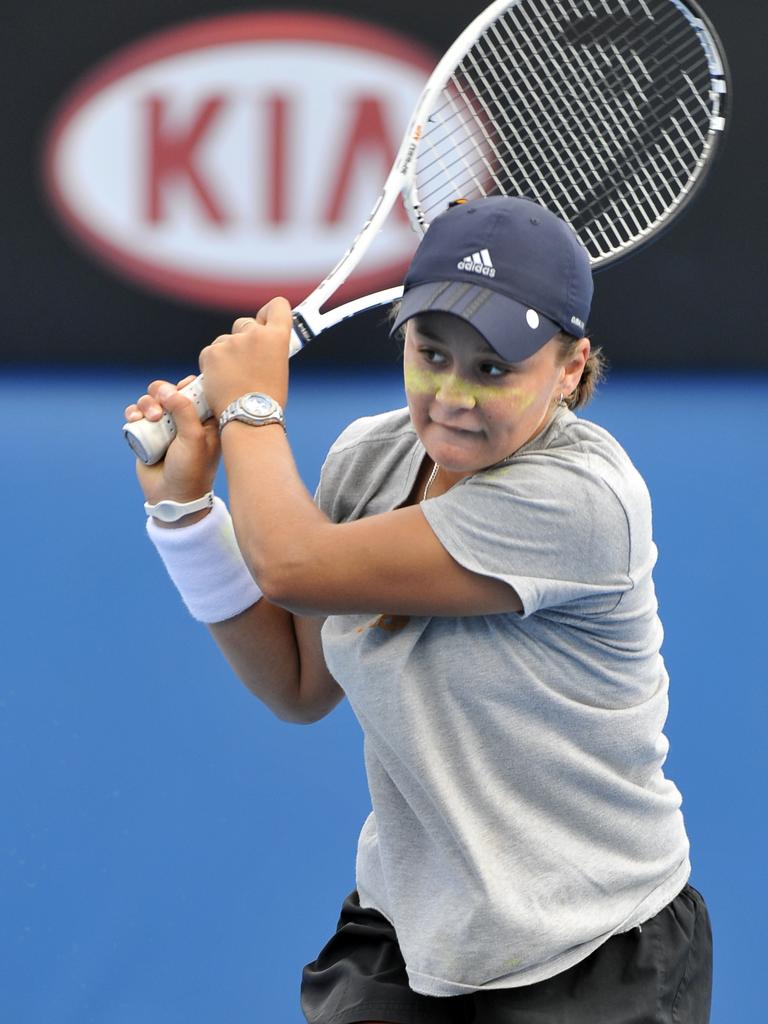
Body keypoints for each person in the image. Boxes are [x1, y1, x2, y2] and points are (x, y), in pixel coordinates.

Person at [125, 197, 713, 1024]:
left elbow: (292, 564)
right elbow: (298, 683)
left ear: (572, 367)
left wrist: (251, 409)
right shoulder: (371, 457)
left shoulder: (584, 504)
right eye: (431, 353)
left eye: (494, 369)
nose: (452, 396)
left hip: (593, 950)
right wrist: (185, 514)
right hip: (408, 935)